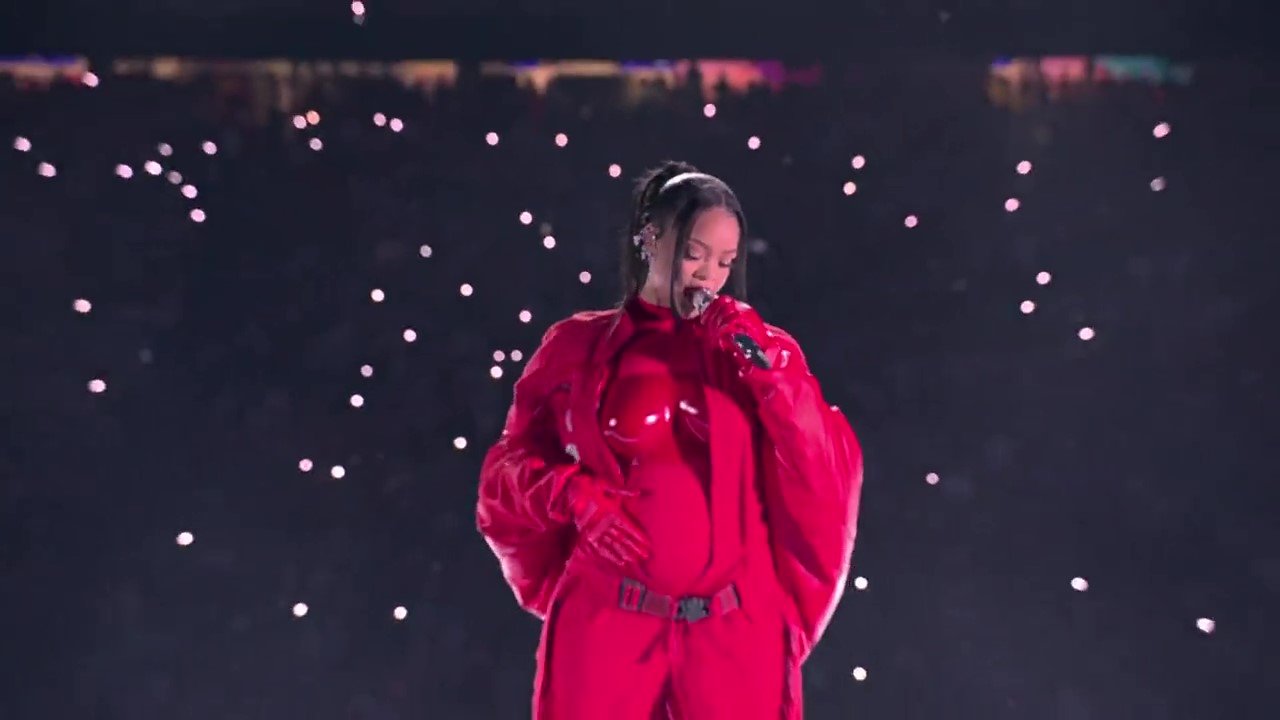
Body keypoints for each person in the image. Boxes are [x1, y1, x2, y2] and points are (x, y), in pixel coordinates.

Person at [476, 160, 864, 719]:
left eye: (726, 262)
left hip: (733, 627)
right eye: (695, 253)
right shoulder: (574, 345)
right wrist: (571, 492)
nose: (709, 275)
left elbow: (824, 462)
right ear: (650, 239)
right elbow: (504, 471)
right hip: (610, 616)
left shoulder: (761, 350)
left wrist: (766, 366)